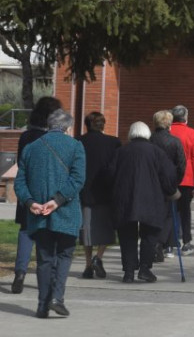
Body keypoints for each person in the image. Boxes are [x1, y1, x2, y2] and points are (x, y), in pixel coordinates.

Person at [14, 109, 86, 318]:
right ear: (67, 127)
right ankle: (57, 298)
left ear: (49, 125)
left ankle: (42, 306)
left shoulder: (30, 148)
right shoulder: (76, 146)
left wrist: (30, 202)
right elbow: (78, 179)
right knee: (64, 255)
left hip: (38, 212)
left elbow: (20, 182)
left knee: (45, 258)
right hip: (66, 210)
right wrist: (58, 200)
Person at [111, 122, 179, 283]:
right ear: (147, 134)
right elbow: (168, 175)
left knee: (127, 235)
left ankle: (128, 271)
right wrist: (171, 191)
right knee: (150, 233)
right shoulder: (157, 152)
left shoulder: (121, 151)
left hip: (126, 198)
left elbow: (109, 174)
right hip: (151, 199)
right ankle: (145, 268)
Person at [11, 96, 61, 294]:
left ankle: (20, 272)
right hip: (49, 188)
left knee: (26, 231)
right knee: (50, 232)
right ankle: (48, 276)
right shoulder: (55, 138)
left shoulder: (26, 136)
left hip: (29, 188)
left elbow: (20, 161)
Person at [77, 112, 121, 279]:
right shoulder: (114, 142)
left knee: (87, 229)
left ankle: (88, 264)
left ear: (86, 124)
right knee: (106, 228)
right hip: (107, 191)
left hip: (85, 190)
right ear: (103, 125)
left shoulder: (78, 142)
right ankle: (99, 257)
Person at [150, 110, 186, 260]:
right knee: (169, 215)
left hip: (151, 182)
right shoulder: (175, 141)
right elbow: (181, 165)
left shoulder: (149, 139)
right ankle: (161, 242)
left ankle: (155, 242)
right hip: (169, 183)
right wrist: (176, 181)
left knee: (153, 215)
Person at [170, 105, 194, 255]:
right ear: (185, 117)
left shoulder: (168, 131)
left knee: (170, 211)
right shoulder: (192, 133)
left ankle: (170, 241)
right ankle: (186, 241)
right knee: (185, 211)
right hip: (186, 178)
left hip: (169, 177)